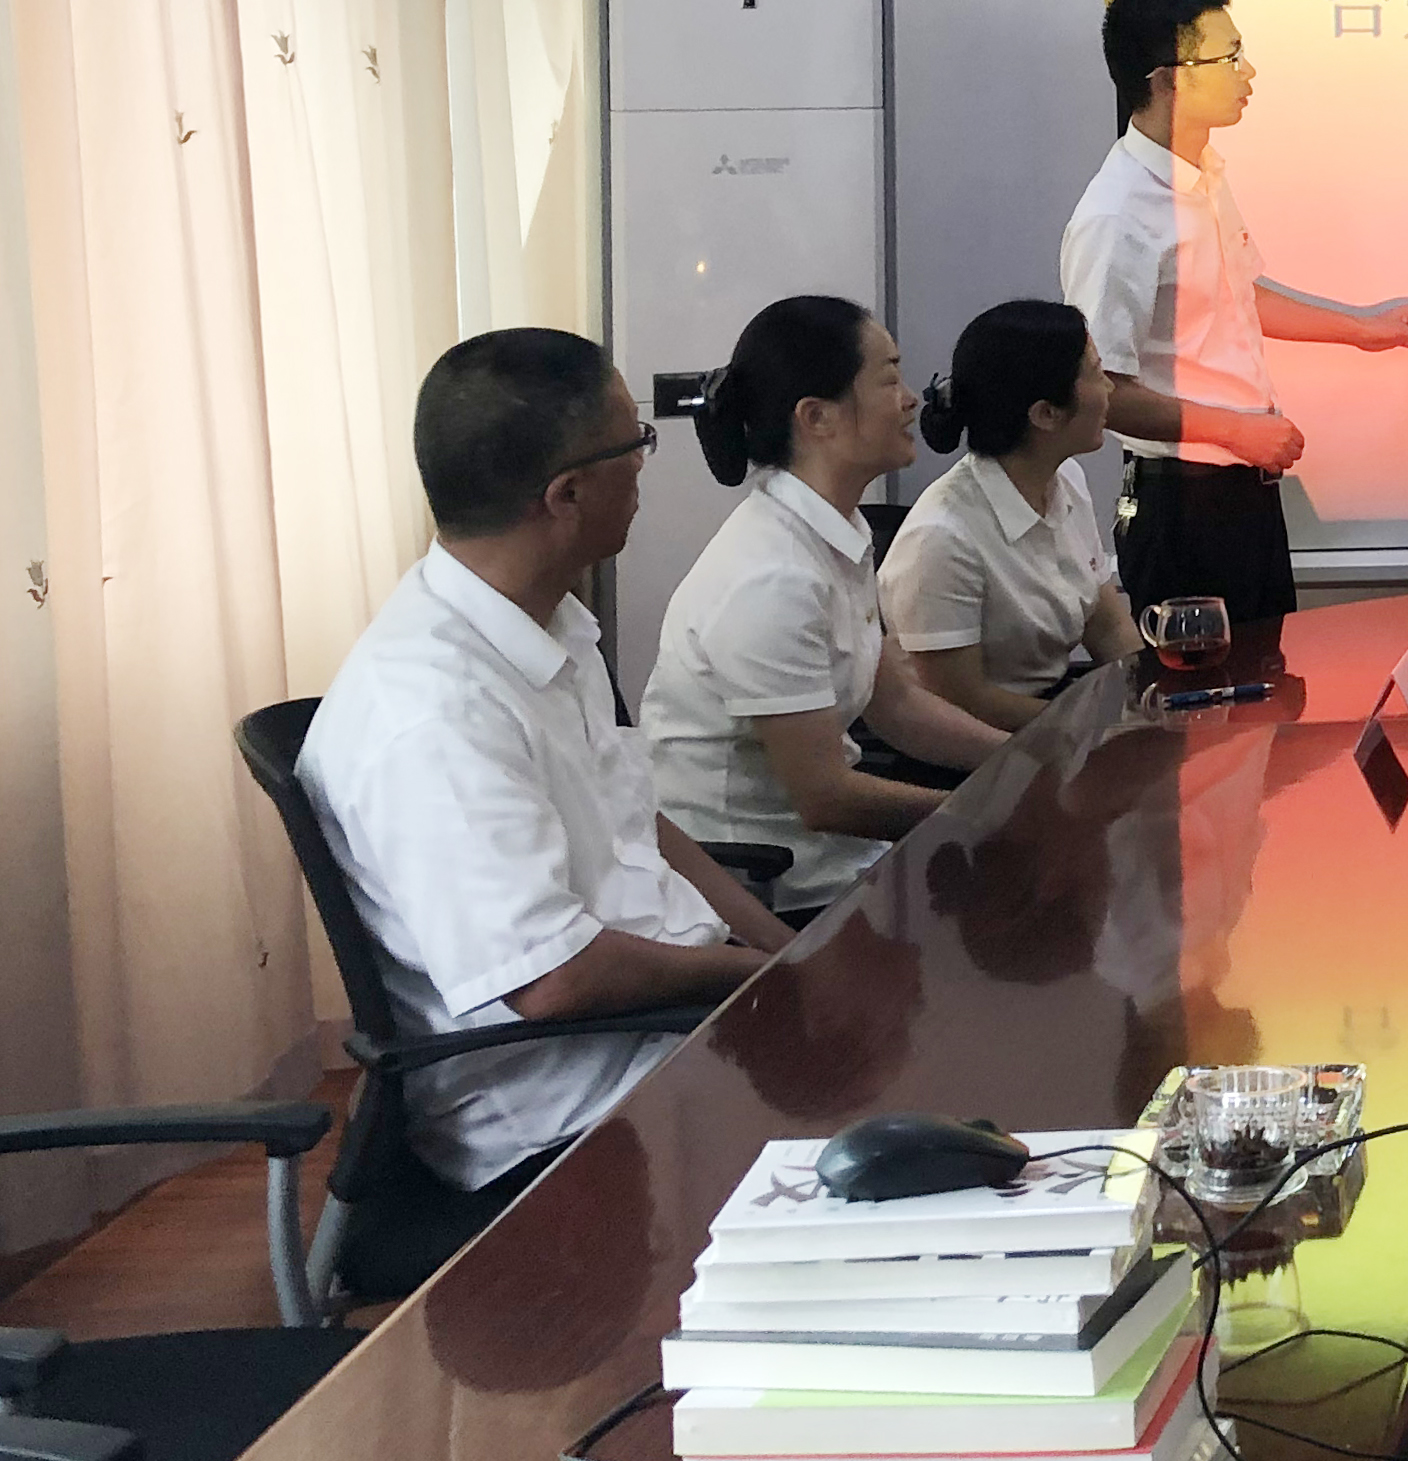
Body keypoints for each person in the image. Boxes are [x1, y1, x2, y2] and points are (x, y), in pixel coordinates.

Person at [298, 330, 790, 1192]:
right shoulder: (433, 709)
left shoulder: (544, 621)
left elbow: (634, 823)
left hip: (662, 1035)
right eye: (636, 443)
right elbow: (553, 980)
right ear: (567, 494)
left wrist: (788, 949)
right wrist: (760, 980)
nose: (644, 464)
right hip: (567, 1112)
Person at [1063, 0, 1408, 638]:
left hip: (1243, 490)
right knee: (1202, 695)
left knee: (1268, 678)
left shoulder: (1202, 174)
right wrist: (1236, 430)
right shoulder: (1118, 214)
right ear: (1169, 80)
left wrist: (1361, 327)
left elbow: (1237, 294)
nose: (1249, 72)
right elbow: (1100, 390)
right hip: (1181, 501)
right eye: (1229, 56)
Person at [645, 296, 1009, 915]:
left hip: (840, 862)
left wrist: (1027, 761)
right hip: (771, 891)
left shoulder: (838, 532)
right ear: (817, 417)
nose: (910, 400)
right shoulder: (772, 578)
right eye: (889, 378)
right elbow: (824, 798)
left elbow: (896, 704)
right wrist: (988, 813)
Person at [881, 299, 1137, 733]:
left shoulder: (1065, 479)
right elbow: (963, 702)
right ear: (1046, 414)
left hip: (1055, 714)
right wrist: (1097, 728)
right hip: (984, 743)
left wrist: (1150, 697)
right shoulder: (942, 538)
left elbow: (1107, 626)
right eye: (1096, 373)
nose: (1110, 388)